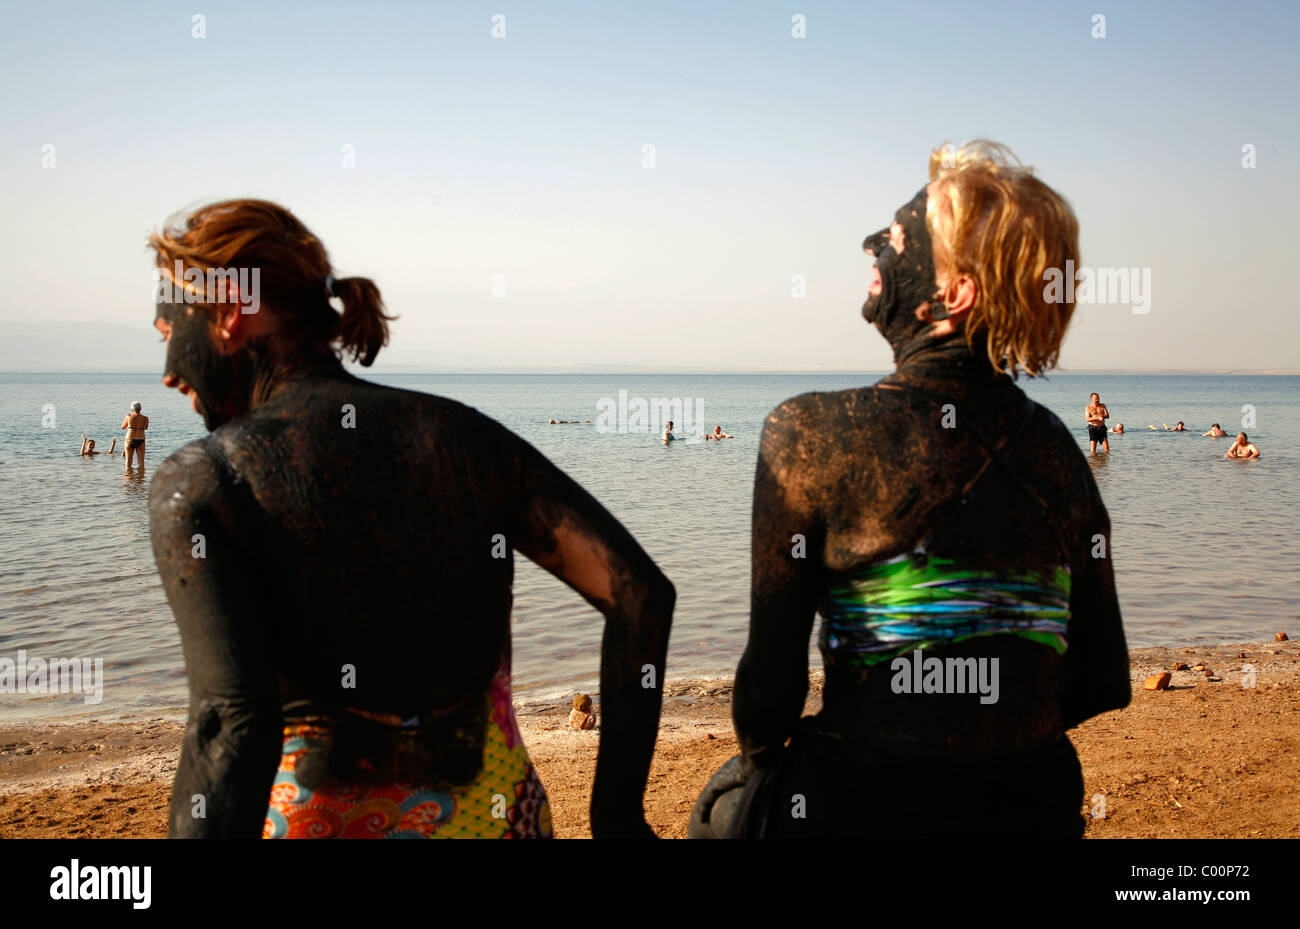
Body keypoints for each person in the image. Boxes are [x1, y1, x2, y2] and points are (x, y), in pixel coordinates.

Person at [146, 199, 674, 839]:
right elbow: (639, 594)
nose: (170, 367)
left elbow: (229, 724)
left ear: (228, 312)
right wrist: (618, 818)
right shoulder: (468, 439)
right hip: (501, 820)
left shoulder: (207, 478)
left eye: (170, 326)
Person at [690, 141, 1129, 839]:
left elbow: (767, 699)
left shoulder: (810, 434)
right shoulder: (1057, 452)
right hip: (1032, 805)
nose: (873, 243)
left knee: (720, 805)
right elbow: (1105, 679)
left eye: (897, 233)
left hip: (861, 805)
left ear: (953, 292)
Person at [121, 401, 149, 469]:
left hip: (129, 439)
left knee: (128, 462)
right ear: (140, 409)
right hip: (141, 439)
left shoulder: (129, 417)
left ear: (132, 409)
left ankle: (129, 477)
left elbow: (123, 427)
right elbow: (145, 427)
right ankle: (141, 478)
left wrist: (127, 417)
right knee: (141, 463)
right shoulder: (145, 418)